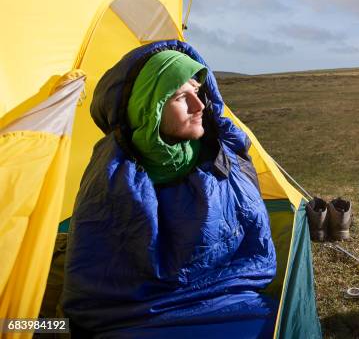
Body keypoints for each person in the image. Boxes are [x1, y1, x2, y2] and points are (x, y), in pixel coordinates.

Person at [62, 41, 278, 338]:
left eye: (198, 91)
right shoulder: (113, 177)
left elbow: (252, 243)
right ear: (148, 109)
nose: (199, 105)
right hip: (138, 316)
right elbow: (99, 284)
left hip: (229, 296)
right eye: (180, 97)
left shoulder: (219, 152)